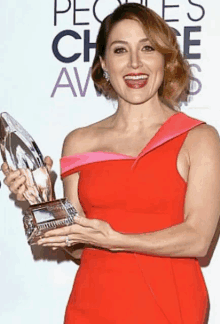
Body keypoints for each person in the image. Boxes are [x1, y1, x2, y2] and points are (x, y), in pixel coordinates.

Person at [2, 3, 220, 323]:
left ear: (164, 58)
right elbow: (77, 246)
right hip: (92, 304)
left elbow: (198, 239)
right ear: (104, 63)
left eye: (147, 48)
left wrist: (116, 240)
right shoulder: (79, 142)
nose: (134, 63)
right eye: (120, 50)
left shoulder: (198, 138)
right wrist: (42, 199)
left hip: (170, 307)